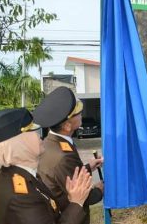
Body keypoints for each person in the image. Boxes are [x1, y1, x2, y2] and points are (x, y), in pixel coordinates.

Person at [0, 108, 92, 224]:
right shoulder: (22, 197)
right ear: (17, 144)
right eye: (32, 131)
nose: (39, 136)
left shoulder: (13, 173)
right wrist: (76, 202)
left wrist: (71, 198)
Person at [33, 86, 103, 224]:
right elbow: (86, 196)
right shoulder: (63, 156)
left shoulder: (51, 142)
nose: (81, 113)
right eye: (76, 112)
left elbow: (65, 175)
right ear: (66, 126)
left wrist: (88, 167)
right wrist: (100, 189)